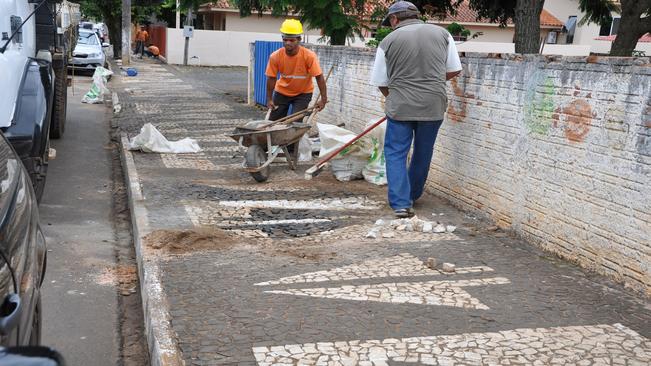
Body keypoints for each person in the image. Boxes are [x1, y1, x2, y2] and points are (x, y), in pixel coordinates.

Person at [370, 1, 462, 218]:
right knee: (423, 151)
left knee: (395, 153)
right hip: (433, 105)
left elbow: (381, 81)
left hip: (400, 106)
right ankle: (412, 194)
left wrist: (396, 96)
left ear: (394, 19)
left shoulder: (388, 41)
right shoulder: (443, 35)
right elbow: (454, 69)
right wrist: (430, 83)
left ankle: (401, 203)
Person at [265, 19, 328, 122]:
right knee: (274, 122)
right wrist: (269, 99)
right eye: (285, 40)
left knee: (295, 122)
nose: (288, 43)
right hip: (282, 92)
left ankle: (293, 138)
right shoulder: (275, 56)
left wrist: (323, 99)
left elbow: (319, 77)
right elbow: (271, 78)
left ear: (299, 39)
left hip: (303, 94)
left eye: (291, 40)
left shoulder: (309, 56)